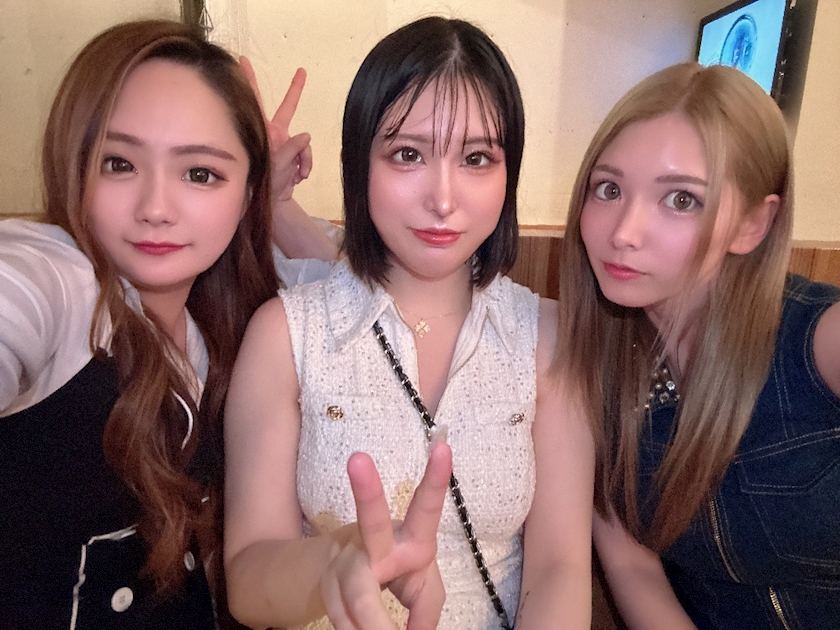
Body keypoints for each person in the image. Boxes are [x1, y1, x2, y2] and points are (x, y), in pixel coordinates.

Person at [224, 15, 594, 630]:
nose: (443, 199)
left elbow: (560, 567)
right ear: (359, 164)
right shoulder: (285, 336)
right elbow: (248, 574)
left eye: (477, 157)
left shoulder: (547, 338)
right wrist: (334, 564)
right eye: (408, 154)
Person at [0, 18, 328, 628]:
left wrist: (277, 208)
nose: (155, 208)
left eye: (201, 173)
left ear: (247, 191)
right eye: (118, 163)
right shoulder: (59, 284)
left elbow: (360, 305)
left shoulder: (232, 318)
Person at [554, 61, 840, 629]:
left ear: (753, 224)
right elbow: (631, 564)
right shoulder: (594, 363)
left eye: (681, 200)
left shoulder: (819, 339)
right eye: (609, 189)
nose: (623, 232)